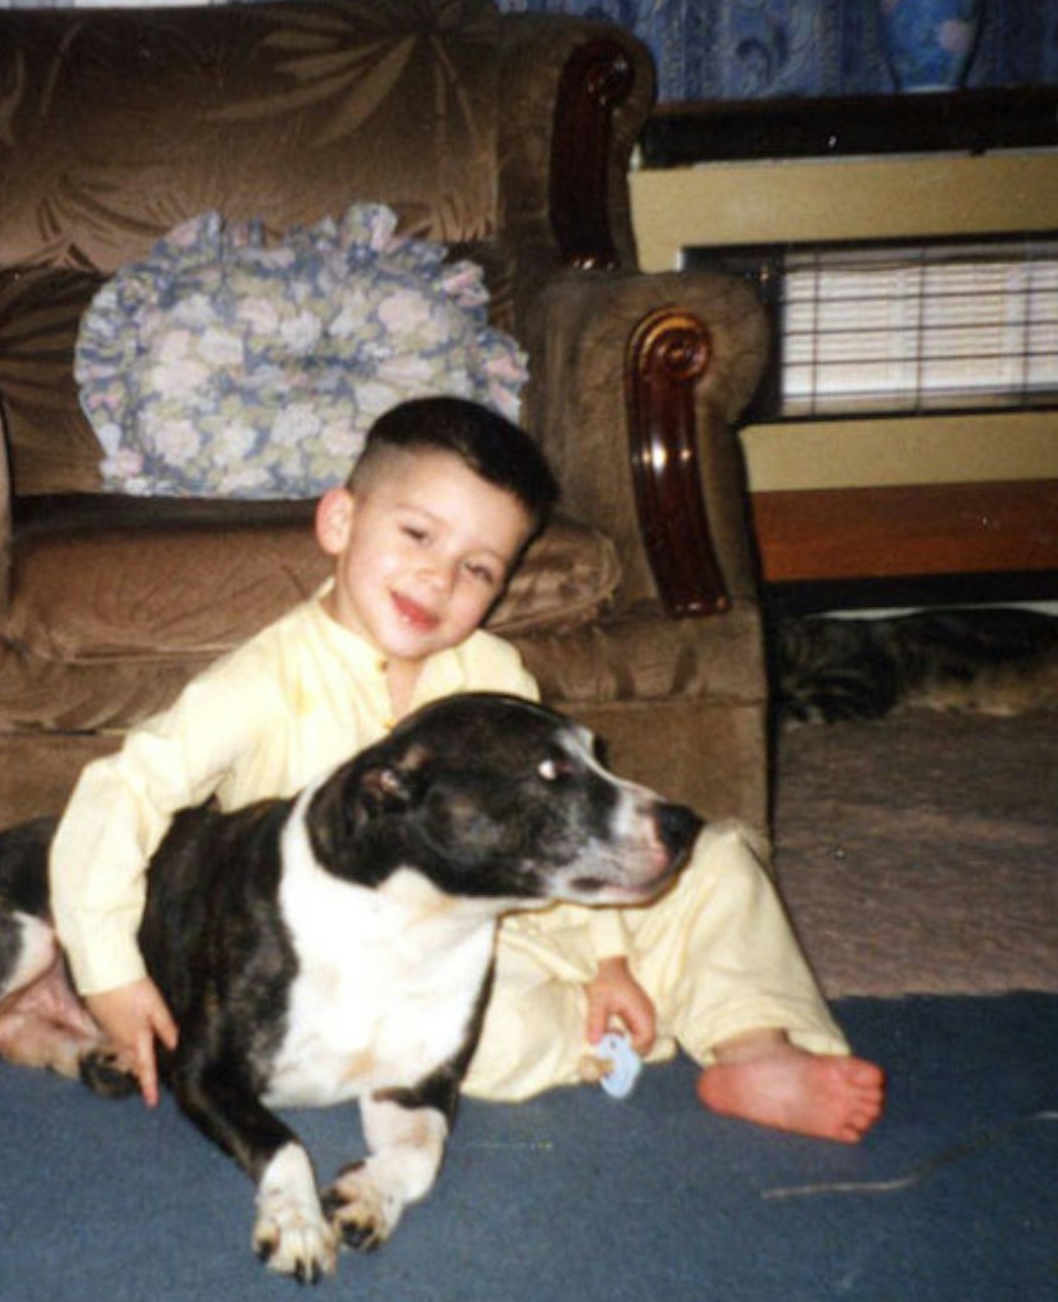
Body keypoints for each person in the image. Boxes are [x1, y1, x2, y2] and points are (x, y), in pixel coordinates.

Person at [50, 397, 884, 1142]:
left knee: (723, 861)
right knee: (479, 1040)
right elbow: (125, 790)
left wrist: (610, 958)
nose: (438, 578)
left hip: (535, 903)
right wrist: (110, 973)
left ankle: (756, 1049)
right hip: (399, 967)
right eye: (417, 535)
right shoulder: (263, 679)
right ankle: (641, 1026)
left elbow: (581, 818)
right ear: (340, 523)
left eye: (478, 569)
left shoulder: (496, 676)